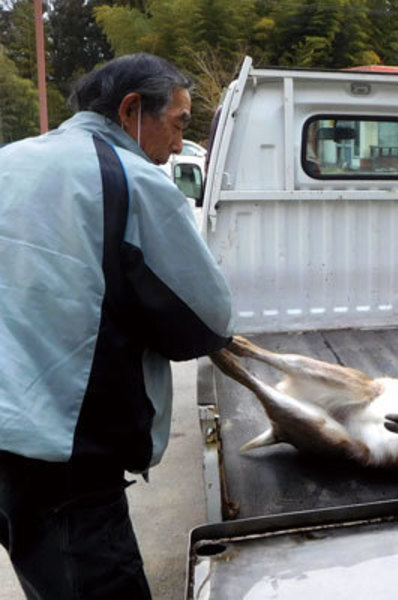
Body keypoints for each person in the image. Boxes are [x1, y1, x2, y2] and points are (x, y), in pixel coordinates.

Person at [0, 53, 233, 598]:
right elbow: (206, 321)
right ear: (131, 111)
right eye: (177, 122)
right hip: (66, 463)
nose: (178, 144)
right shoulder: (130, 179)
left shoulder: (9, 159)